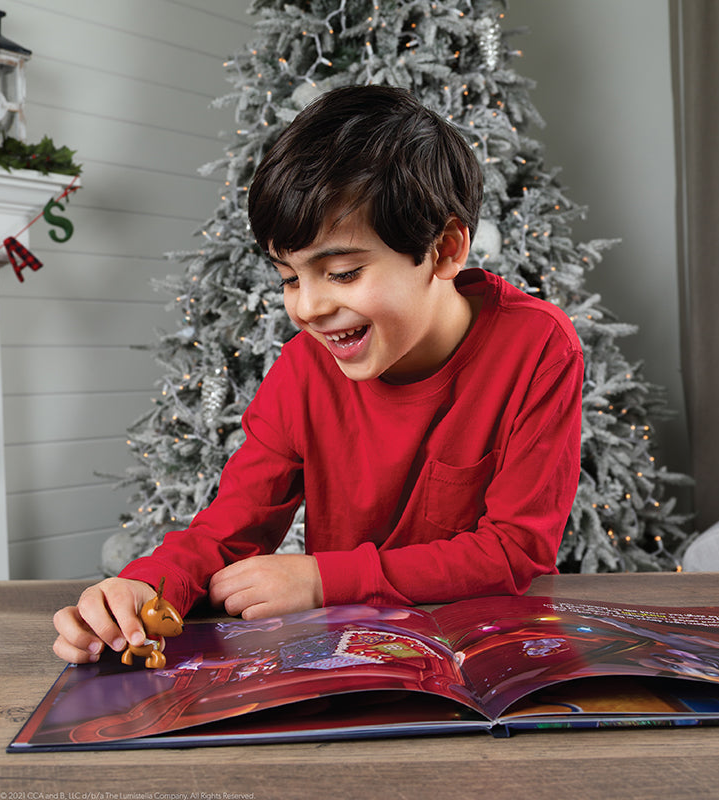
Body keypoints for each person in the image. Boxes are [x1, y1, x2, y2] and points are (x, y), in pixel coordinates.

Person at [53, 85, 583, 665]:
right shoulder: (305, 369)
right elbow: (228, 531)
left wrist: (322, 582)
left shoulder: (537, 347)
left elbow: (514, 551)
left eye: (343, 272)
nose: (307, 308)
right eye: (289, 278)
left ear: (445, 249)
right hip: (351, 667)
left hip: (486, 654)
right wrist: (148, 586)